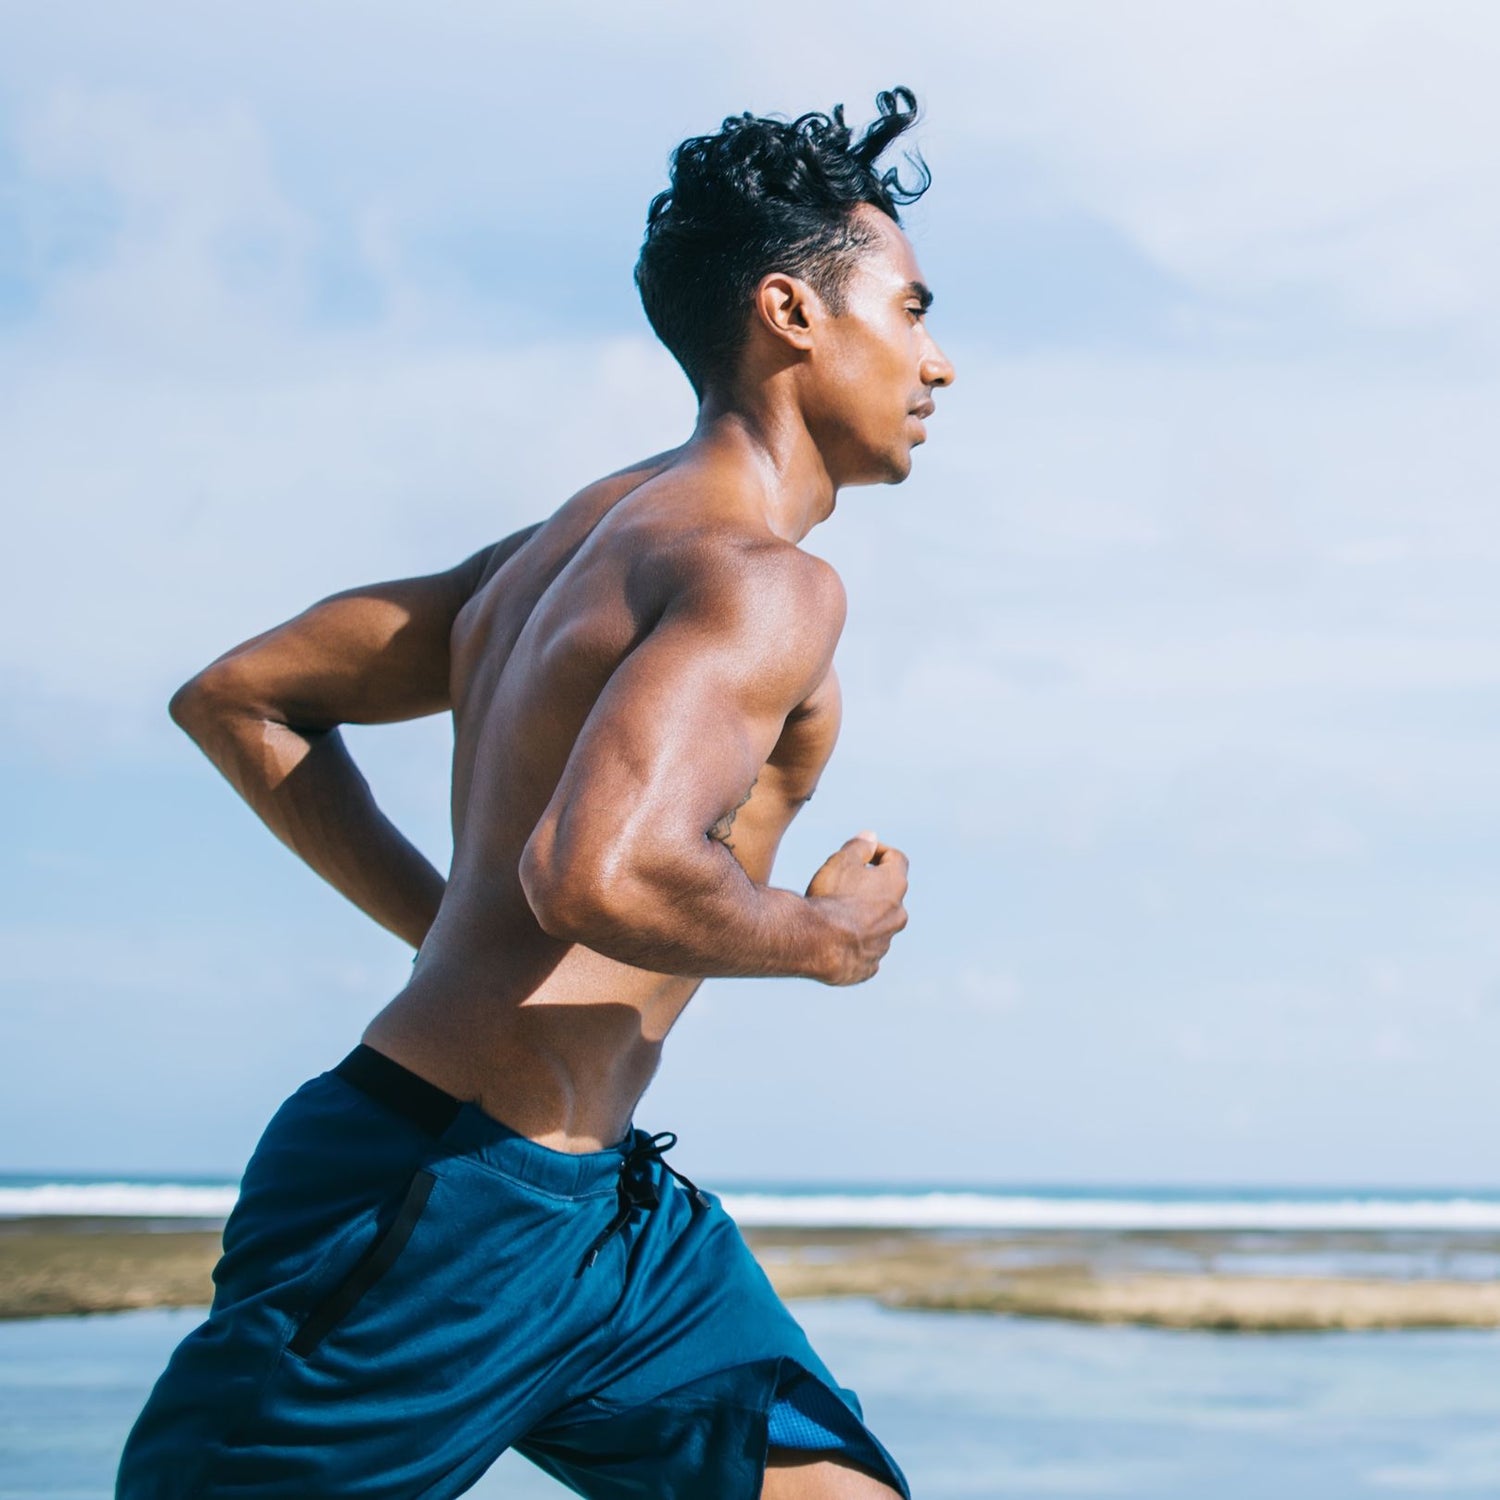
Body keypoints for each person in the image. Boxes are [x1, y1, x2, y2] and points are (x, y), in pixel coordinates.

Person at [118, 84, 954, 1500]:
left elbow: (246, 699)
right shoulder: (761, 582)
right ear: (791, 316)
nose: (939, 365)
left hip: (608, 1224)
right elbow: (596, 873)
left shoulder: (560, 548)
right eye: (914, 310)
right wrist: (831, 939)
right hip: (436, 1202)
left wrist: (453, 939)